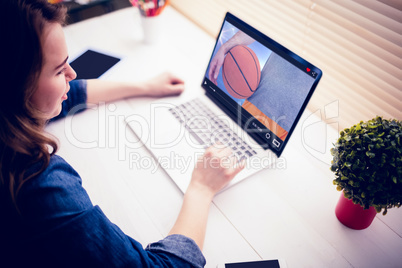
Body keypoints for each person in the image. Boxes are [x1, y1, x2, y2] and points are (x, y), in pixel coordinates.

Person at [0, 0, 245, 267]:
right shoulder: (39, 186)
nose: (72, 73)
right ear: (16, 85)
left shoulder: (9, 113)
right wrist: (201, 188)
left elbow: (70, 95)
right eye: (59, 70)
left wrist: (145, 86)